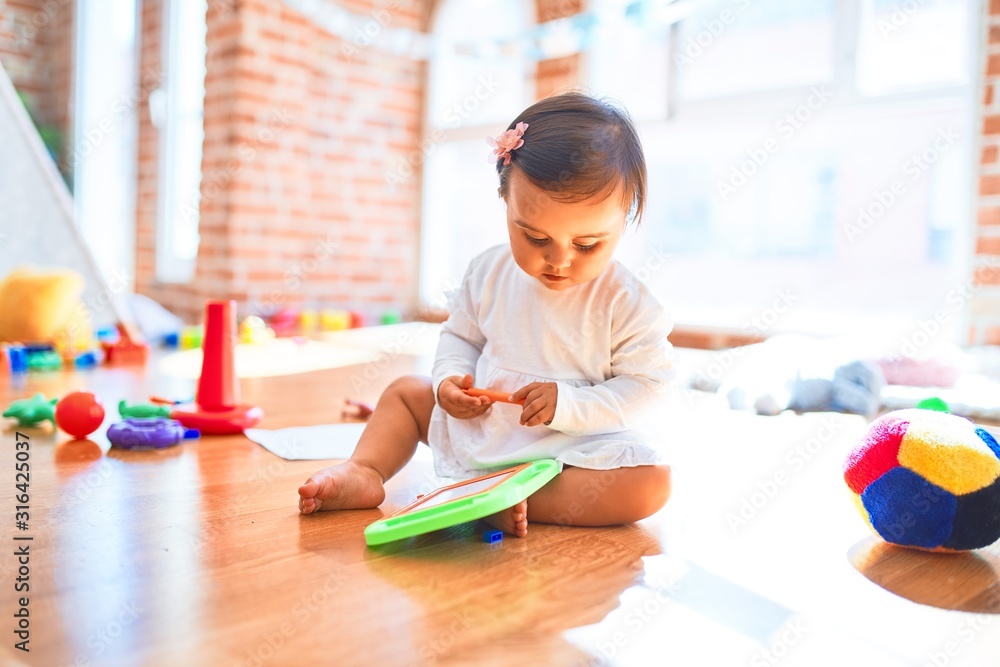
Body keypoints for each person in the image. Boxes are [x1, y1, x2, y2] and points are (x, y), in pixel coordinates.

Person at [299, 92, 675, 537]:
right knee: (405, 393)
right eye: (535, 237)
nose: (559, 260)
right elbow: (460, 338)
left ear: (625, 218)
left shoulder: (626, 300)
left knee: (650, 483)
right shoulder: (488, 272)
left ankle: (510, 498)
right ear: (505, 200)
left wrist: (572, 405)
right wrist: (449, 381)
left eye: (587, 245)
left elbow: (649, 386)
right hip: (482, 426)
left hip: (569, 449)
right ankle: (365, 469)